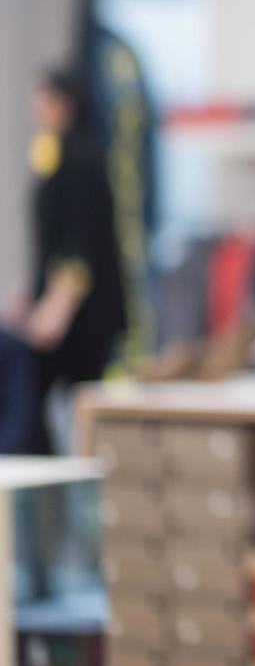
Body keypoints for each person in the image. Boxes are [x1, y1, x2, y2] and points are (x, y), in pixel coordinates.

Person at [5, 69, 127, 454]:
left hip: (83, 317)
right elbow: (54, 242)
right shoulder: (58, 155)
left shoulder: (81, 159)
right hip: (67, 308)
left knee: (65, 409)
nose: (37, 109)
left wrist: (57, 307)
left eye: (44, 100)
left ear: (65, 103)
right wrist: (30, 290)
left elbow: (80, 244)